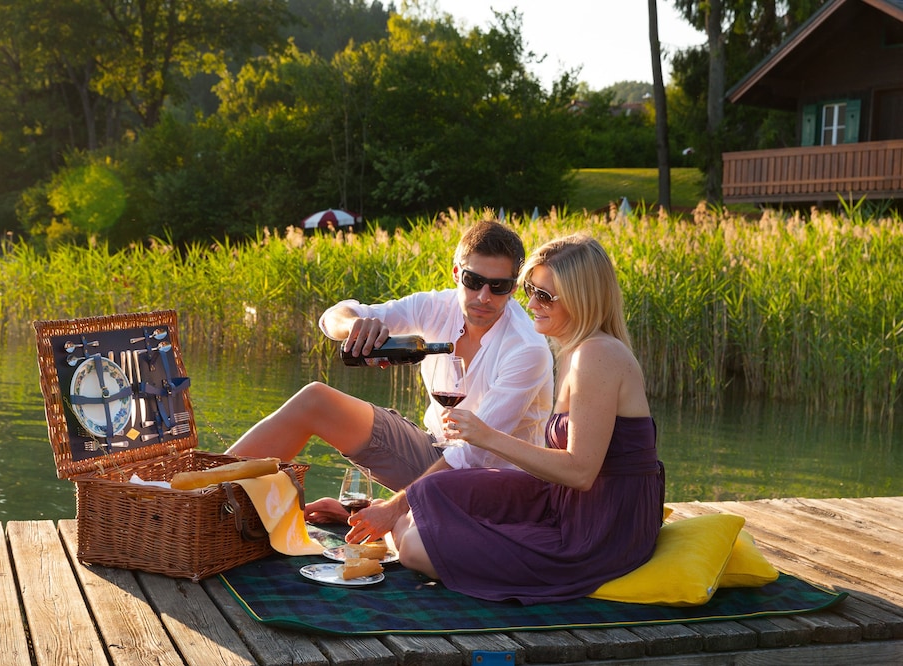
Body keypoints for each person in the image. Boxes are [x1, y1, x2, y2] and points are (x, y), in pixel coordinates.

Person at [226, 219, 554, 539]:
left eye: (498, 286)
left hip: (492, 489)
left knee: (410, 534)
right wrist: (355, 326)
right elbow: (331, 318)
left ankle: (399, 517)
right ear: (457, 273)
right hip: (435, 453)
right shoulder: (436, 307)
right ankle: (209, 491)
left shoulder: (526, 349)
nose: (483, 296)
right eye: (473, 280)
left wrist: (392, 509)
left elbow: (473, 456)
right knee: (315, 401)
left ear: (513, 287)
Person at [392, 233, 665, 604]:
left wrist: (486, 435)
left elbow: (580, 472)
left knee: (414, 547)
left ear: (581, 298)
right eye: (530, 290)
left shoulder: (597, 356)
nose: (531, 304)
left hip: (600, 531)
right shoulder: (574, 350)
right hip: (564, 503)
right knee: (426, 495)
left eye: (545, 296)